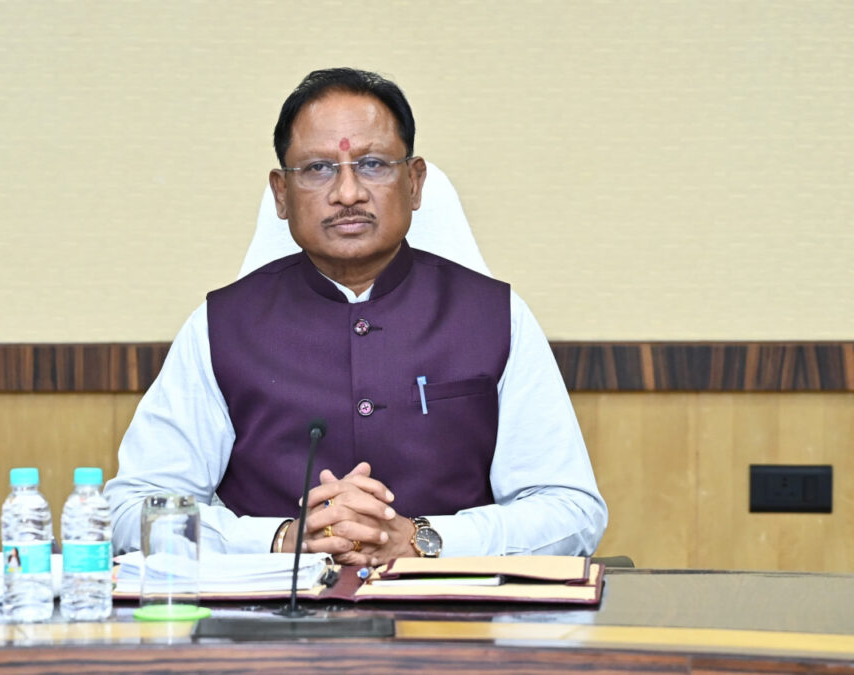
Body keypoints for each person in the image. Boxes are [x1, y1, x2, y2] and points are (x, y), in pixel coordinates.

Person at [104, 68, 607, 566]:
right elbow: (132, 510)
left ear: (415, 183)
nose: (348, 193)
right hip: (271, 614)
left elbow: (572, 511)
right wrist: (279, 540)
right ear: (281, 193)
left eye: (372, 164)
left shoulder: (494, 316)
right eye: (318, 168)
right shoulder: (221, 326)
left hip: (451, 611)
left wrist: (422, 539)